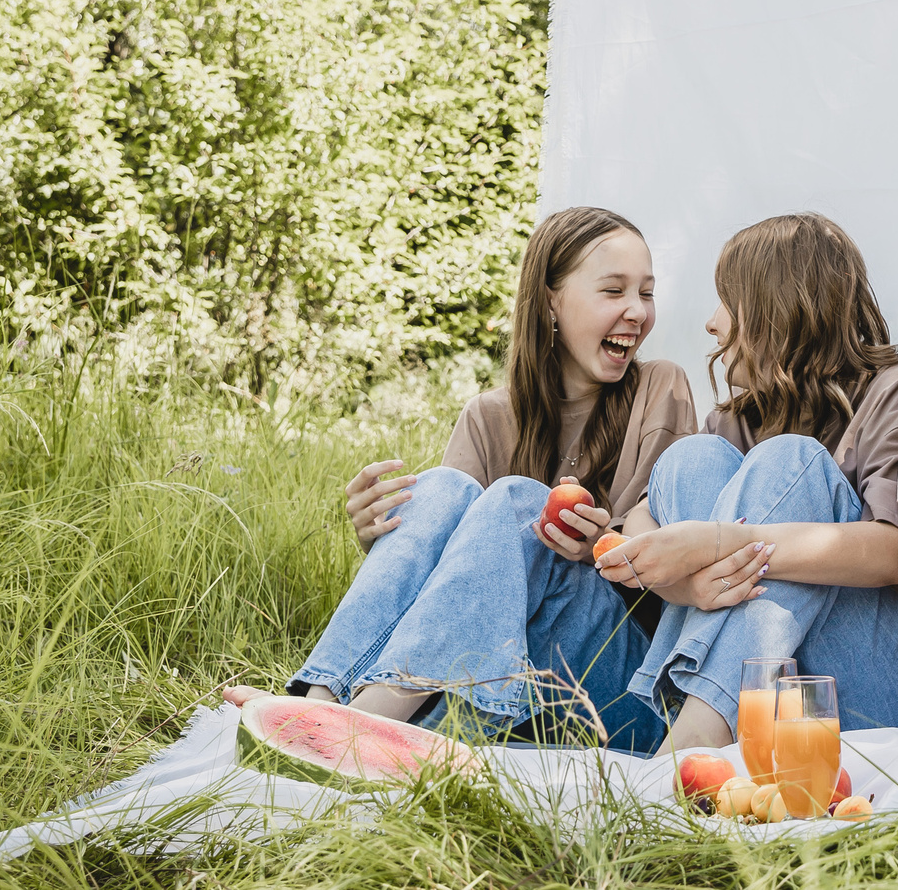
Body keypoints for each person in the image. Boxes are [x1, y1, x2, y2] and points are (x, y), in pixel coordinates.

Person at [284, 206, 701, 750]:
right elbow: (449, 588)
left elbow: (670, 575)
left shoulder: (660, 389)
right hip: (507, 690)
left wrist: (597, 546)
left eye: (645, 293)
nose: (637, 313)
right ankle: (321, 697)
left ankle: (371, 721)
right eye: (613, 291)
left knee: (517, 500)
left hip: (620, 688)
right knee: (438, 489)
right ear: (551, 300)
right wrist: (380, 535)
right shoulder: (488, 417)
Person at [592, 212, 898, 746]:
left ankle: (693, 743)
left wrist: (723, 541)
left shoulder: (893, 392)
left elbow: (897, 554)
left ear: (775, 310)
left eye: (726, 300)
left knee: (791, 461)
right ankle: (719, 730)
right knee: (692, 459)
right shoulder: (735, 419)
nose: (712, 323)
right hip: (775, 703)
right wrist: (686, 580)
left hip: (866, 697)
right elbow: (642, 517)